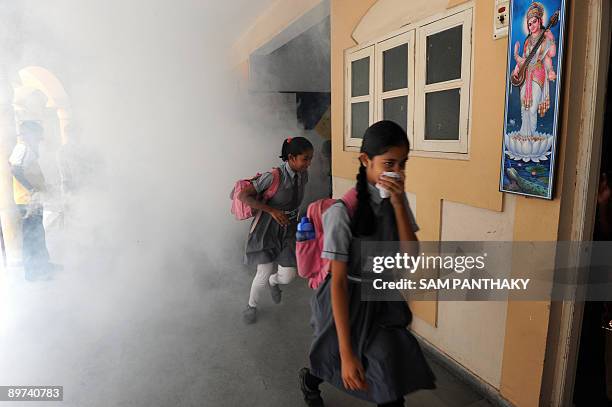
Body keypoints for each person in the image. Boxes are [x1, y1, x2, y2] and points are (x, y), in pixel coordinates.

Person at [299, 121, 435, 407]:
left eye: (402, 164)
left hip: (381, 300)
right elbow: (336, 281)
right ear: (365, 160)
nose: (396, 172)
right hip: (345, 299)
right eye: (389, 163)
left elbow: (410, 256)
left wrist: (398, 204)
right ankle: (310, 380)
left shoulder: (397, 201)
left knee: (387, 369)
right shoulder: (342, 212)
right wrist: (347, 355)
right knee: (335, 357)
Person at [239, 137, 313, 324]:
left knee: (288, 276)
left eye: (310, 158)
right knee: (262, 272)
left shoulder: (303, 174)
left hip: (288, 228)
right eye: (305, 158)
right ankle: (251, 306)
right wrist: (272, 210)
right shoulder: (273, 176)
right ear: (291, 158)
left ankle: (275, 282)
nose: (309, 163)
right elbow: (243, 195)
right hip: (266, 228)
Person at [8, 121, 53, 280]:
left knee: (37, 233)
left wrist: (42, 187)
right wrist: (32, 189)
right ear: (30, 134)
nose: (40, 138)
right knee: (32, 236)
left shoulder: (27, 149)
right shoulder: (23, 148)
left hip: (32, 199)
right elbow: (15, 169)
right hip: (28, 200)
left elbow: (28, 171)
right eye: (38, 135)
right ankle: (34, 272)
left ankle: (43, 266)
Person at [511, 1, 557, 137]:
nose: (531, 26)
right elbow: (523, 59)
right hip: (525, 75)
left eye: (534, 22)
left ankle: (530, 135)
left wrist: (551, 71)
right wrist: (516, 69)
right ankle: (523, 134)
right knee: (523, 107)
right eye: (529, 23)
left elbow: (550, 56)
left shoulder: (545, 36)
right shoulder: (527, 40)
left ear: (540, 21)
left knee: (531, 108)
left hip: (537, 73)